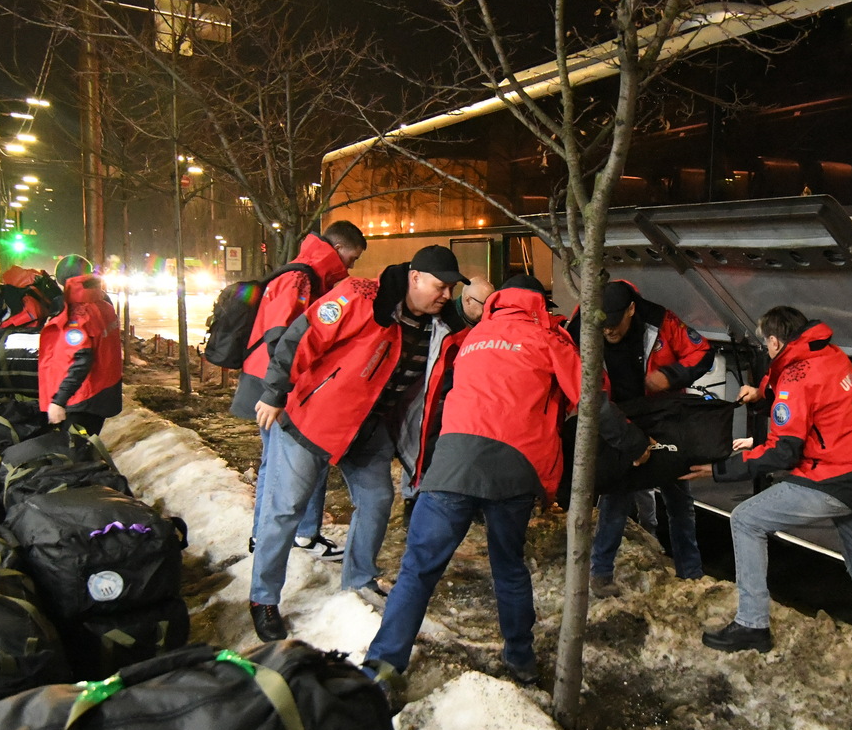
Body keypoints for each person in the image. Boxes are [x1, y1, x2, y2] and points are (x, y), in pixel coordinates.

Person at [363, 274, 648, 696]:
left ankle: (382, 669)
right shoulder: (549, 339)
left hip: (452, 463)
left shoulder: (473, 337)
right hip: (514, 467)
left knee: (418, 569)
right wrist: (636, 444)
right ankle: (520, 659)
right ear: (538, 304)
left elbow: (442, 397)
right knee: (508, 566)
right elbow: (591, 399)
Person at [248, 244, 468, 641]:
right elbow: (303, 336)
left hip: (369, 428)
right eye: (440, 286)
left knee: (378, 499)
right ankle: (263, 598)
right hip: (312, 419)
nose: (446, 295)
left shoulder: (443, 327)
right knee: (286, 509)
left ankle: (359, 580)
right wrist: (275, 391)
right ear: (415, 278)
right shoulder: (362, 296)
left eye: (451, 289)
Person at [690, 306, 852, 652]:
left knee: (746, 519)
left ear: (773, 341)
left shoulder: (796, 377)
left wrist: (719, 470)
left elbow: (783, 452)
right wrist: (762, 394)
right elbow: (801, 390)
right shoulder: (831, 354)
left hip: (832, 477)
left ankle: (752, 624)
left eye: (765, 343)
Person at [232, 222, 368, 564]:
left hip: (272, 381)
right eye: (352, 258)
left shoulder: (308, 275)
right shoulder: (301, 278)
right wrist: (281, 389)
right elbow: (282, 337)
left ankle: (277, 534)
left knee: (280, 462)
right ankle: (284, 535)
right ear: (338, 248)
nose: (351, 266)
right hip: (276, 385)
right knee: (290, 461)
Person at [570, 279, 713, 593]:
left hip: (664, 417)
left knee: (679, 498)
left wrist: (670, 376)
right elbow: (578, 380)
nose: (608, 330)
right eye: (603, 324)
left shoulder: (660, 321)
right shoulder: (582, 325)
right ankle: (600, 574)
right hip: (618, 421)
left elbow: (702, 352)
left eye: (614, 322)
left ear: (631, 310)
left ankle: (690, 573)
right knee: (615, 496)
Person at [36, 255, 122, 435]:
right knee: (88, 442)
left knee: (76, 447)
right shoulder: (103, 304)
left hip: (83, 397)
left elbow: (80, 361)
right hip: (103, 392)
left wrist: (59, 401)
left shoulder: (77, 314)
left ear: (62, 282)